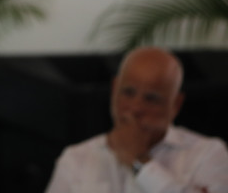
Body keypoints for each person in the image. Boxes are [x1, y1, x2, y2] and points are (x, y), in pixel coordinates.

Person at [45, 46, 228, 193]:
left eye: (151, 98)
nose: (136, 108)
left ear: (175, 104)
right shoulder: (76, 159)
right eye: (128, 92)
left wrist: (140, 162)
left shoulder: (208, 154)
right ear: (114, 89)